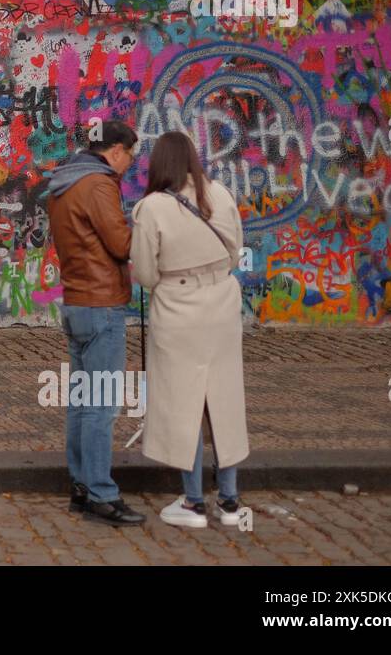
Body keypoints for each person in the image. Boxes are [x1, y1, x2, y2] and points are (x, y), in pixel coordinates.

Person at [129, 131, 249, 528]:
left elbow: (145, 274)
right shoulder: (221, 194)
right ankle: (230, 502)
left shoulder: (151, 208)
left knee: (184, 403)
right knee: (224, 399)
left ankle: (194, 501)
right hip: (222, 302)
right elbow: (235, 251)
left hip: (179, 308)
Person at [45, 120, 145, 526]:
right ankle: (102, 494)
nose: (130, 165)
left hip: (76, 301)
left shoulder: (63, 183)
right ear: (116, 151)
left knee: (82, 401)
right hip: (102, 305)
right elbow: (121, 244)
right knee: (101, 405)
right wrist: (142, 223)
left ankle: (82, 486)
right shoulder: (99, 184)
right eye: (130, 155)